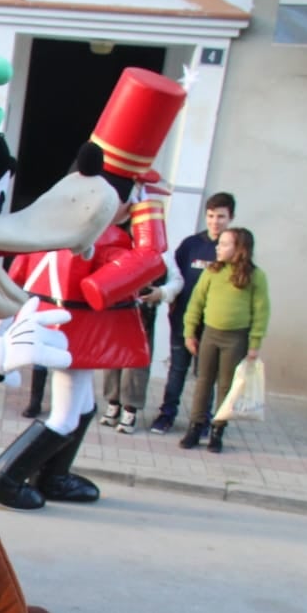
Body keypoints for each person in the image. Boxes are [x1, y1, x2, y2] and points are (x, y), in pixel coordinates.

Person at [150, 192, 235, 434]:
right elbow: (173, 276)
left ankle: (202, 420)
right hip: (183, 321)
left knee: (206, 375)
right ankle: (166, 415)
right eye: (211, 216)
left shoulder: (233, 249)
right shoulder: (191, 245)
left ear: (231, 218)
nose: (215, 221)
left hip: (213, 326)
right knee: (177, 369)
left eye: (221, 217)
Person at [178, 227, 269, 454]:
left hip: (236, 338)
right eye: (219, 243)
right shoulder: (212, 271)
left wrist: (254, 343)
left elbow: (261, 311)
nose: (218, 247)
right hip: (210, 334)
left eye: (225, 244)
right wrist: (190, 332)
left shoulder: (255, 277)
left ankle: (218, 429)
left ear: (240, 249)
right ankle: (195, 426)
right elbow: (196, 303)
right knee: (203, 381)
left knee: (227, 386)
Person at [98, 249, 181, 432]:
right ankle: (113, 404)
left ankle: (130, 409)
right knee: (113, 359)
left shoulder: (162, 254)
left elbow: (177, 281)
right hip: (117, 313)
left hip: (144, 315)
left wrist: (161, 292)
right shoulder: (120, 245)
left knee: (136, 363)